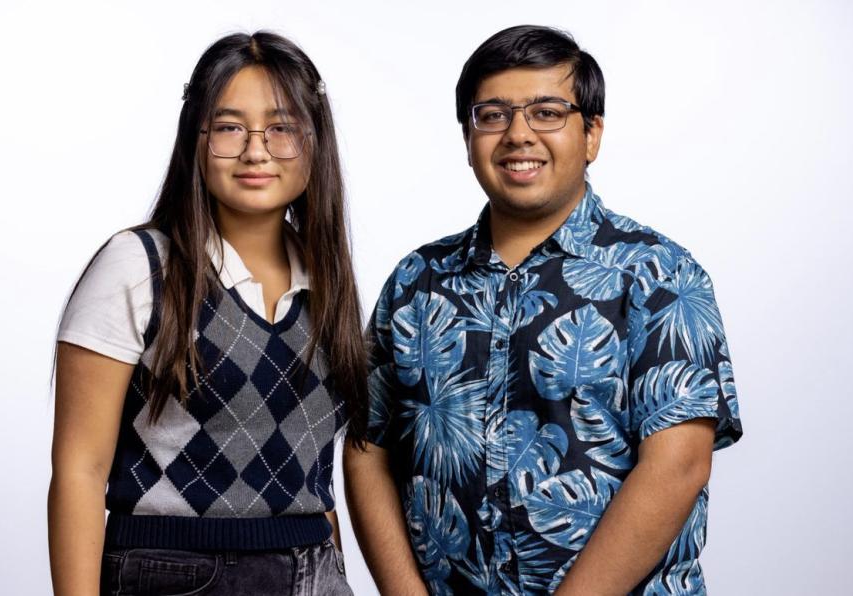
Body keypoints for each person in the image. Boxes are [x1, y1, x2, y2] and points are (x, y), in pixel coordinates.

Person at [345, 24, 742, 595]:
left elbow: (678, 465)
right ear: (468, 137)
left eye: (548, 112)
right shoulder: (416, 282)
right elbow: (367, 447)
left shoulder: (658, 275)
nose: (518, 134)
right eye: (493, 114)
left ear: (591, 135)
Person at [48, 31, 364, 596]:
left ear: (315, 142)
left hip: (315, 574)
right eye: (229, 127)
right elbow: (79, 471)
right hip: (178, 576)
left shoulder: (326, 279)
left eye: (283, 128)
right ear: (195, 140)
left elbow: (314, 476)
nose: (257, 150)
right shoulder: (140, 265)